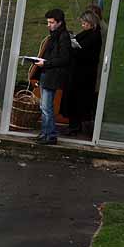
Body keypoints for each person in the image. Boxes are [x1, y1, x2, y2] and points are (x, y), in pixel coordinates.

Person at [33, 8, 72, 145]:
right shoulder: (54, 36)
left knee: (46, 107)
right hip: (47, 73)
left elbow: (65, 58)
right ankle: (45, 133)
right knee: (44, 107)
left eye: (51, 22)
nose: (49, 25)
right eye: (48, 22)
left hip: (52, 75)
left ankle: (50, 135)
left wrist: (47, 63)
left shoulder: (63, 37)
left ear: (59, 23)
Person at [62, 11, 102, 136]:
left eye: (85, 23)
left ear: (91, 23)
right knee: (74, 100)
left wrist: (74, 47)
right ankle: (73, 125)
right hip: (78, 73)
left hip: (83, 75)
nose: (83, 25)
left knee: (77, 100)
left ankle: (75, 126)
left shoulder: (94, 36)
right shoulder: (88, 34)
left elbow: (83, 52)